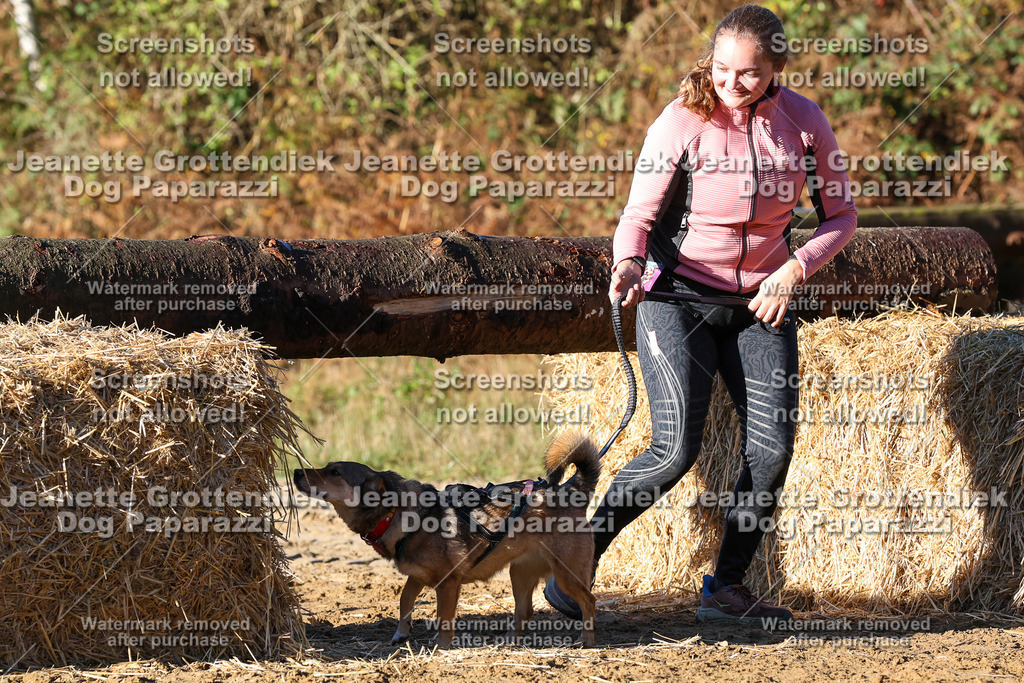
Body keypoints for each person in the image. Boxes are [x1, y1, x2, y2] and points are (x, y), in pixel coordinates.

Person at [545, 4, 856, 626]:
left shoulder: (804, 121)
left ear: (776, 69)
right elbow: (636, 216)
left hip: (762, 304)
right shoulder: (682, 119)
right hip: (678, 298)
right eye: (722, 68)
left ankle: (726, 588)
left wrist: (795, 270)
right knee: (674, 449)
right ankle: (574, 566)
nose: (732, 82)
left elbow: (841, 218)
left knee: (770, 452)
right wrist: (629, 264)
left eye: (748, 72)